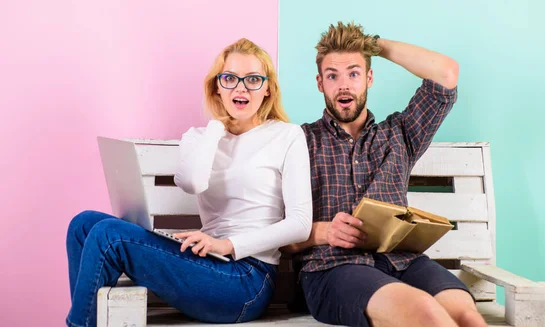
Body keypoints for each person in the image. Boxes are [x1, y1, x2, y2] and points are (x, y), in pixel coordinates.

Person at [65, 38, 312, 327]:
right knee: (82, 224)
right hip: (206, 264)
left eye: (253, 79)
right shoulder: (200, 137)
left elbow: (300, 223)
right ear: (216, 86)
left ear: (268, 88)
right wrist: (218, 125)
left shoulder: (287, 136)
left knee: (109, 234)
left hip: (246, 280)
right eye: (230, 78)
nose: (241, 88)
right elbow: (192, 182)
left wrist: (227, 245)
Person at [283, 22, 487, 327]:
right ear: (319, 83)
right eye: (332, 76)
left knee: (466, 315)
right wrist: (324, 232)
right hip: (334, 269)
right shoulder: (298, 142)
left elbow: (446, 75)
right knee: (425, 311)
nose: (344, 86)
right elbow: (274, 235)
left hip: (403, 262)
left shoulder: (399, 134)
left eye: (353, 73)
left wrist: (375, 46)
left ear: (369, 78)